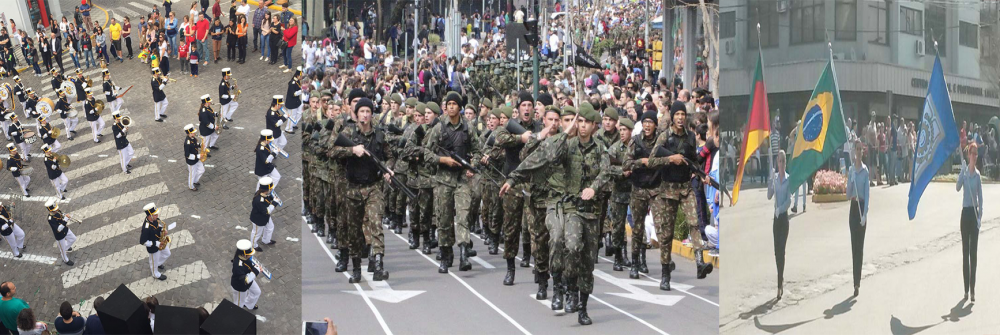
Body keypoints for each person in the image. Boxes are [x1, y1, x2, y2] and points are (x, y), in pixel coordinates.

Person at [330, 97, 393, 282]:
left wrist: (388, 169)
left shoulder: (379, 135)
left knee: (376, 222)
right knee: (354, 230)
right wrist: (352, 151)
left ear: (372, 114)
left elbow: (389, 156)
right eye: (362, 111)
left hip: (373, 186)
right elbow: (331, 151)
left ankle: (379, 264)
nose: (365, 115)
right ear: (356, 114)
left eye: (368, 111)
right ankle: (356, 268)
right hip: (352, 188)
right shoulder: (348, 132)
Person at [956, 142, 982, 302]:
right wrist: (961, 174)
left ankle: (973, 290)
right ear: (968, 155)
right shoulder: (965, 173)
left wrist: (980, 217)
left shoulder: (977, 176)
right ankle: (965, 290)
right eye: (973, 153)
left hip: (974, 213)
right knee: (965, 253)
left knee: (974, 254)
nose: (974, 156)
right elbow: (958, 188)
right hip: (965, 214)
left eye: (976, 154)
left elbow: (981, 198)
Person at [767, 149, 791, 300]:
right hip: (776, 220)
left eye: (783, 161)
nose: (781, 164)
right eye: (779, 161)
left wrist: (781, 209)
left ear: (785, 163)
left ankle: (779, 285)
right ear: (777, 162)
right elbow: (769, 196)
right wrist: (770, 181)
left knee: (781, 250)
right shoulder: (775, 179)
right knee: (776, 252)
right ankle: (780, 278)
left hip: (783, 218)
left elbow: (789, 200)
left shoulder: (788, 179)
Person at [139, 203, 171, 280]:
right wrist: (156, 243)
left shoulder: (155, 219)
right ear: (150, 215)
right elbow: (143, 242)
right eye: (155, 215)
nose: (157, 216)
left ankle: (158, 263)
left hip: (160, 241)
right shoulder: (146, 228)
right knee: (153, 262)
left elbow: (157, 226)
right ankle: (155, 274)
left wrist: (162, 230)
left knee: (167, 253)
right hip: (153, 247)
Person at [231, 239, 262, 310]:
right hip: (239, 286)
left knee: (256, 292)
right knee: (239, 304)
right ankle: (237, 315)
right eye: (249, 254)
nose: (251, 255)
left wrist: (256, 267)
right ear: (244, 255)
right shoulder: (238, 266)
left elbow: (249, 266)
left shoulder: (244, 257)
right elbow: (246, 280)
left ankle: (248, 304)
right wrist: (256, 270)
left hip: (248, 279)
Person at [46, 200, 77, 266]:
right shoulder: (50, 219)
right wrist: (65, 220)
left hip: (65, 229)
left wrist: (67, 216)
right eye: (55, 209)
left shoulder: (57, 211)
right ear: (50, 210)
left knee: (73, 238)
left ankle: (66, 247)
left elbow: (62, 215)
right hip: (59, 235)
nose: (57, 210)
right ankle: (65, 260)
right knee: (62, 251)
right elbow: (58, 229)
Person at [184, 124, 205, 191]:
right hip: (191, 161)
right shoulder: (187, 143)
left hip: (196, 159)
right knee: (192, 174)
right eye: (193, 132)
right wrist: (198, 156)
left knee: (202, 170)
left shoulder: (193, 138)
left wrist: (200, 145)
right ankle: (191, 186)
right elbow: (187, 155)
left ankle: (195, 180)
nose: (195, 133)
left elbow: (195, 145)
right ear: (189, 133)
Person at [283, 67, 303, 134]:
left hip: (296, 102)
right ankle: (288, 128)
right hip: (292, 103)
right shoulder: (293, 83)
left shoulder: (297, 81)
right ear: (298, 75)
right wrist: (301, 91)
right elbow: (293, 94)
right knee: (292, 116)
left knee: (300, 112)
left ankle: (294, 124)